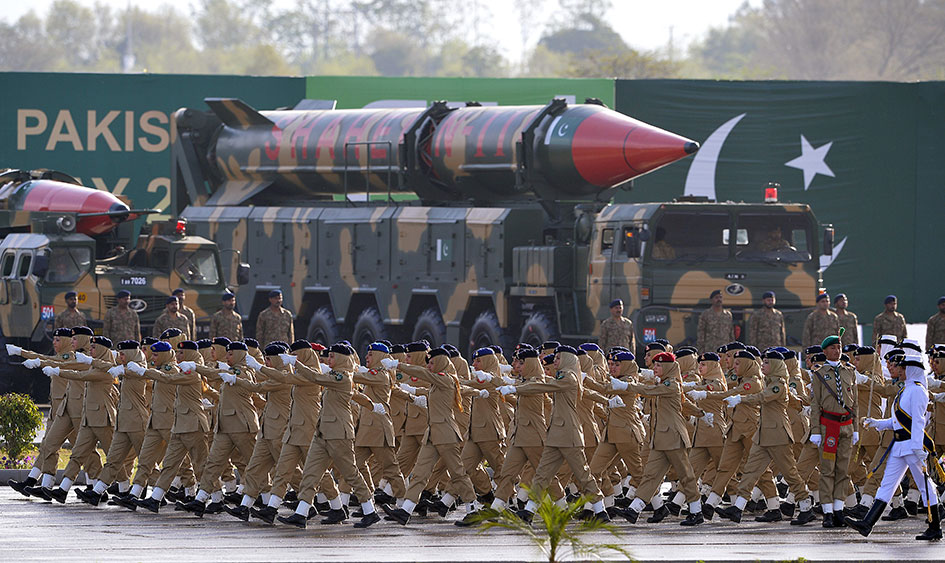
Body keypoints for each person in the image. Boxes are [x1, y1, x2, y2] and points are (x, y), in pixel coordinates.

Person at [714, 350, 816, 525]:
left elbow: (762, 397)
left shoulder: (778, 384)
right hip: (763, 434)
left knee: (790, 473)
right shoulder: (769, 382)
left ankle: (806, 507)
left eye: (767, 363)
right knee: (751, 471)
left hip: (777, 435)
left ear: (776, 366)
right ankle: (737, 508)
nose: (763, 365)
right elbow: (790, 400)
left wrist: (740, 399)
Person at [847, 353, 942, 541]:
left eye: (903, 367)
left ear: (911, 369)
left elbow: (917, 422)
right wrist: (877, 423)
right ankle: (867, 524)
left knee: (926, 487)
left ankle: (935, 526)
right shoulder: (905, 390)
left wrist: (918, 450)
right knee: (886, 486)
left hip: (912, 447)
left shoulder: (917, 391)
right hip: (900, 446)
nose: (898, 369)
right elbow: (897, 421)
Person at [809, 330, 858, 528]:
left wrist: (855, 429)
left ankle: (839, 509)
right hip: (828, 427)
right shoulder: (819, 374)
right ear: (825, 351)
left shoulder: (850, 372)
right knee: (827, 470)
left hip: (846, 426)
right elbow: (815, 404)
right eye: (832, 348)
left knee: (843, 470)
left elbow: (854, 404)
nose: (837, 350)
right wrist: (815, 430)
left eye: (838, 347)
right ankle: (827, 511)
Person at [697, 290, 733, 355]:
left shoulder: (728, 315)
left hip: (724, 350)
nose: (719, 299)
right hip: (710, 349)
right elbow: (701, 333)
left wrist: (732, 349)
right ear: (711, 300)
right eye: (716, 297)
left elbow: (731, 334)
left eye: (720, 297)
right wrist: (701, 349)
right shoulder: (705, 314)